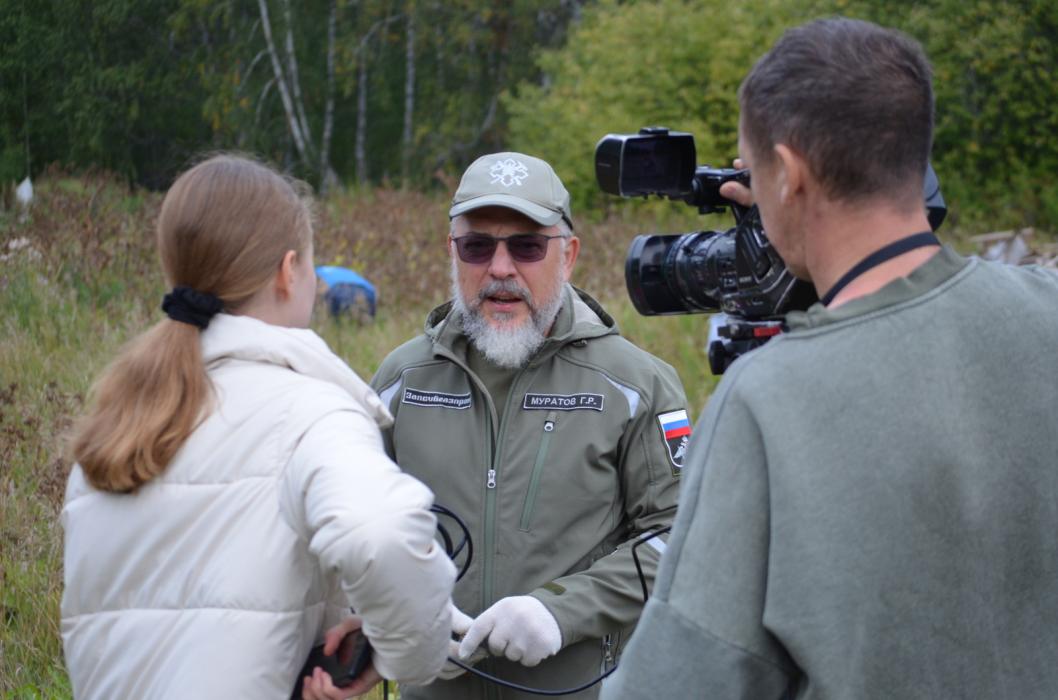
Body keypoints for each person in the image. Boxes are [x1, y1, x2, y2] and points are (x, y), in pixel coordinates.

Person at [603, 17, 1058, 700]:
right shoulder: (1043, 313)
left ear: (787, 174)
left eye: (751, 168)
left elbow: (682, 680)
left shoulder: (768, 401)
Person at [60, 154, 457, 700]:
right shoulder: (310, 414)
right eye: (312, 268)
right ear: (288, 271)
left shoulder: (115, 424)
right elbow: (382, 532)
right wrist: (405, 654)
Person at [369, 152, 688, 698]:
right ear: (452, 252)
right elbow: (355, 532)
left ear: (568, 255)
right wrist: (398, 615)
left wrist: (562, 611)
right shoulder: (402, 378)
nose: (499, 269)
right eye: (477, 246)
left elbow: (678, 536)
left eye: (526, 246)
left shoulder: (635, 385)